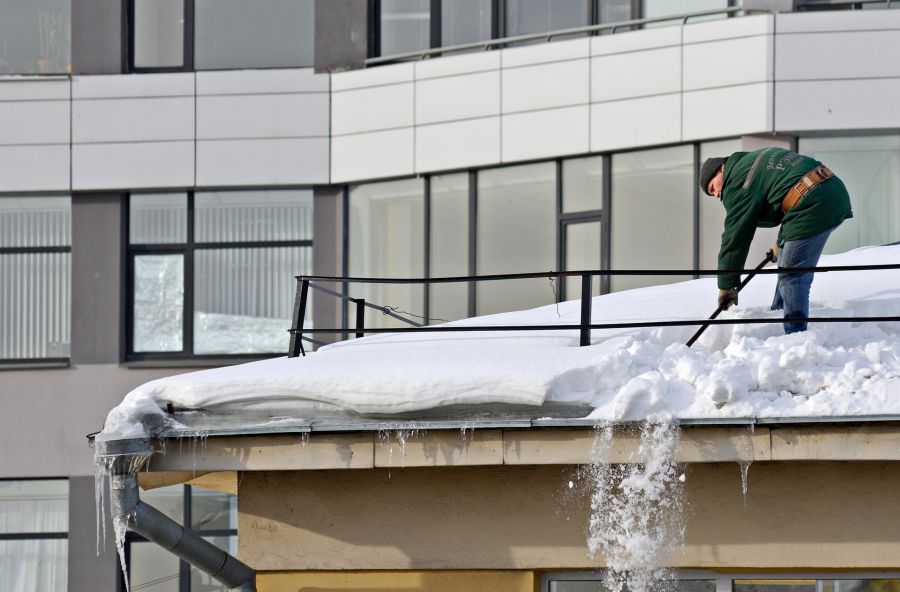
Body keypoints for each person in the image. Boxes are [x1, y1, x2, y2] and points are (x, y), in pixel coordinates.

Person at [699, 147, 853, 334]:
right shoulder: (751, 161)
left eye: (712, 187)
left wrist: (727, 284)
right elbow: (788, 194)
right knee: (786, 266)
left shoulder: (738, 181)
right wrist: (781, 243)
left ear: (720, 170)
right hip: (830, 191)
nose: (716, 194)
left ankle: (795, 337)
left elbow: (735, 236)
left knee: (792, 275)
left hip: (814, 203)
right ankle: (777, 322)